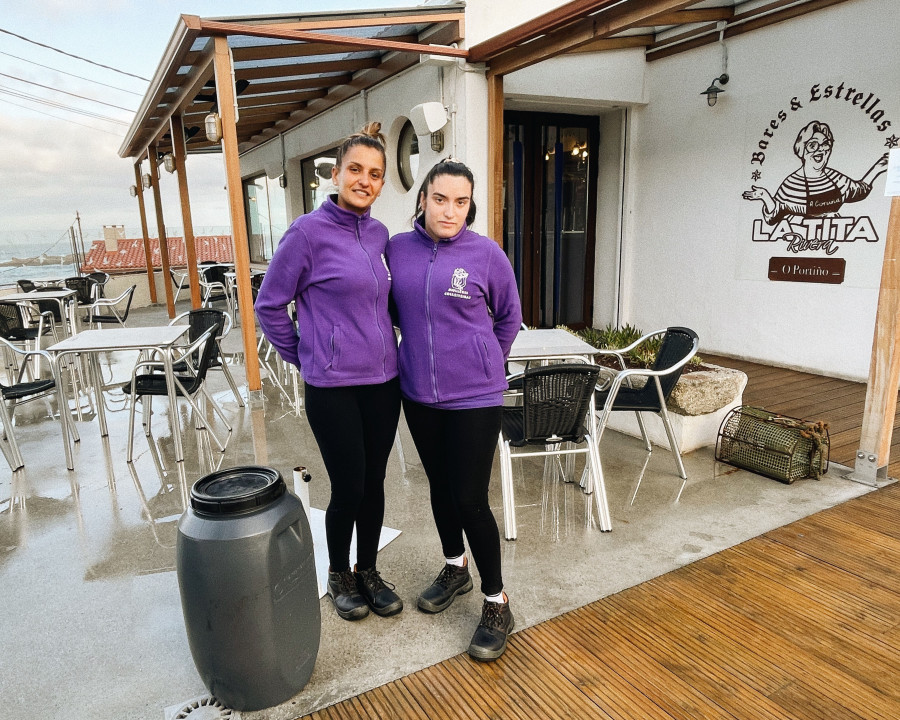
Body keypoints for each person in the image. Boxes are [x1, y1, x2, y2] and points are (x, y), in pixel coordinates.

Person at [255, 122, 403, 622]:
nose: (365, 180)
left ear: (382, 183)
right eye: (356, 170)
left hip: (384, 384)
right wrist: (306, 355)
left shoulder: (380, 234)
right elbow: (269, 305)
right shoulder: (306, 233)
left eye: (375, 174)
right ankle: (339, 572)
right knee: (349, 485)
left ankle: (368, 569)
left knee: (376, 482)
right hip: (333, 387)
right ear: (335, 174)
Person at [387, 159, 523, 661]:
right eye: (440, 199)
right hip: (419, 392)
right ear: (423, 199)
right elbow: (392, 310)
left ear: (471, 204)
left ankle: (496, 599)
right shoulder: (397, 249)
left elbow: (509, 317)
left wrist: (484, 359)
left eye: (461, 201)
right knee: (440, 488)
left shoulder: (487, 255)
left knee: (469, 498)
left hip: (476, 396)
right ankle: (455, 567)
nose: (450, 210)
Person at [743, 120, 888, 224]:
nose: (820, 149)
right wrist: (765, 197)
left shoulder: (835, 178)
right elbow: (775, 215)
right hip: (799, 240)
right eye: (813, 145)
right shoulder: (791, 183)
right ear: (802, 150)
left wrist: (878, 168)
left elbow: (858, 191)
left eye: (825, 144)